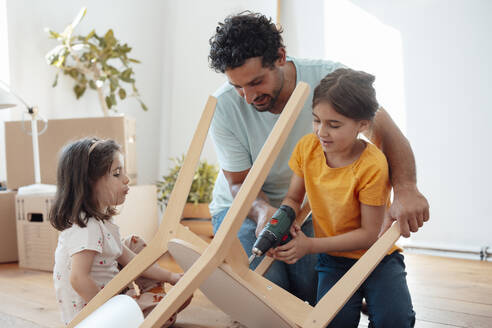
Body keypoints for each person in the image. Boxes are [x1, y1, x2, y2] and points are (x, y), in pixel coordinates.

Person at [208, 12, 429, 305]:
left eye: (256, 82)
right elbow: (238, 183)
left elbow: (387, 133)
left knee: (316, 293)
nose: (247, 97)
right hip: (244, 206)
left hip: (309, 207)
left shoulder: (329, 78)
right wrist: (264, 212)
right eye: (238, 87)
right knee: (268, 294)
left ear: (280, 57)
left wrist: (406, 188)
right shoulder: (224, 106)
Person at [271, 68, 415, 327]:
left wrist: (309, 246)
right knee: (330, 322)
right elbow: (293, 198)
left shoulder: (372, 165)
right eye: (316, 120)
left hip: (377, 259)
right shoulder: (308, 148)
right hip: (334, 261)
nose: (321, 132)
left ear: (362, 124)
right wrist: (284, 218)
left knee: (395, 320)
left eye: (333, 124)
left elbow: (369, 235)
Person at [50, 138, 190, 326]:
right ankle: (149, 304)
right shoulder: (86, 227)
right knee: (167, 311)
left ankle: (149, 298)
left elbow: (132, 260)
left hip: (113, 294)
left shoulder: (102, 220)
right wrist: (110, 313)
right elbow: (78, 278)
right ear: (90, 181)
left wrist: (170, 276)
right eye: (117, 174)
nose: (126, 179)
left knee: (133, 243)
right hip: (92, 316)